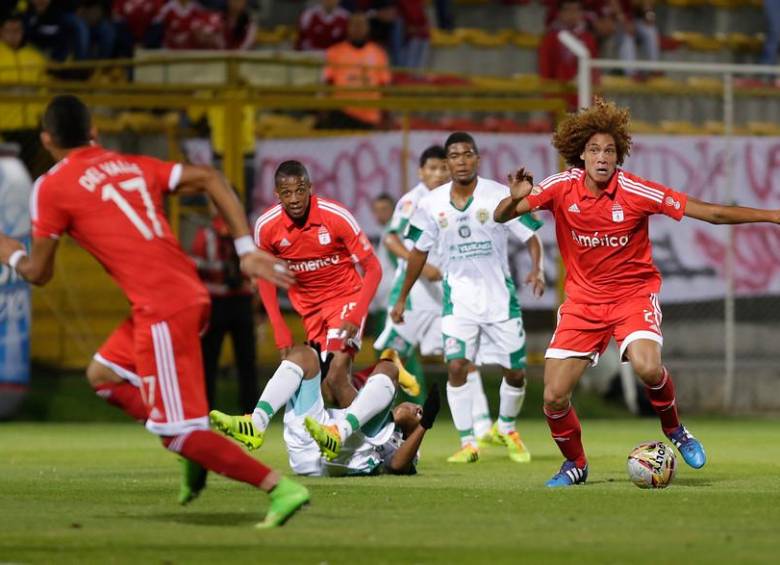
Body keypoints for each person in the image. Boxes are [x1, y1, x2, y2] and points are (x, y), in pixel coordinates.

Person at [0, 94, 308, 528]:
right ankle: (193, 445)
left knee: (177, 432)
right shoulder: (132, 165)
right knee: (103, 376)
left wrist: (6, 250)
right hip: (183, 294)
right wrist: (246, 249)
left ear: (46, 138)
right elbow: (210, 177)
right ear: (95, 132)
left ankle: (278, 487)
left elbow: (38, 272)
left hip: (163, 307)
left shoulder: (50, 186)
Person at [493, 97, 780, 487]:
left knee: (647, 366)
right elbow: (501, 216)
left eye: (610, 150)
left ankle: (675, 429)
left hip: (633, 296)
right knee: (553, 397)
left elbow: (710, 213)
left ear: (619, 156)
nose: (602, 156)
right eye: (594, 149)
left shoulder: (635, 190)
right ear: (580, 153)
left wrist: (771, 215)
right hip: (583, 302)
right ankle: (575, 464)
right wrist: (514, 197)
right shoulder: (560, 187)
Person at [390, 132, 545, 464]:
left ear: (477, 158)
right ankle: (468, 441)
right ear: (447, 163)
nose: (461, 160)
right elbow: (418, 252)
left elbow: (531, 236)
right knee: (457, 366)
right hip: (458, 302)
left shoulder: (498, 194)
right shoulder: (431, 204)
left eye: (467, 154)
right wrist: (402, 297)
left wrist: (537, 268)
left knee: (515, 371)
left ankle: (507, 428)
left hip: (500, 301)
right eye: (455, 156)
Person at [254, 160, 383, 409]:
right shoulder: (266, 227)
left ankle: (382, 442)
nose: (294, 199)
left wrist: (356, 315)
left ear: (310, 188)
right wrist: (279, 326)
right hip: (310, 311)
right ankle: (375, 381)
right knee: (329, 390)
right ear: (276, 195)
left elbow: (374, 268)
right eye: (287, 193)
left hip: (346, 300)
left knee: (335, 375)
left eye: (300, 190)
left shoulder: (335, 216)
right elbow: (264, 276)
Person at [210, 344, 440, 476]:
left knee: (389, 369)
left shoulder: (394, 440)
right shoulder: (367, 409)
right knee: (304, 355)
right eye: (420, 408)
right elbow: (336, 389)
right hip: (310, 438)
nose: (417, 407)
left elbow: (398, 465)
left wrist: (425, 424)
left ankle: (337, 433)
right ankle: (257, 421)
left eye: (419, 412)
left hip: (342, 455)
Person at [190, 202, 258, 414]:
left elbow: (195, 270)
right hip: (238, 303)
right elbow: (257, 274)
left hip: (216, 303)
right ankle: (252, 415)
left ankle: (204, 412)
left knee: (209, 363)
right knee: (246, 363)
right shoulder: (247, 234)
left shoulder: (207, 233)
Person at [318, 11, 391, 130]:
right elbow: (327, 83)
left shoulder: (379, 53)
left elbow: (384, 87)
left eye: (361, 24)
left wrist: (386, 115)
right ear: (348, 28)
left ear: (368, 28)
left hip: (370, 115)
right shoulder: (334, 52)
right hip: (341, 113)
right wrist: (323, 111)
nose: (358, 28)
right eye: (354, 25)